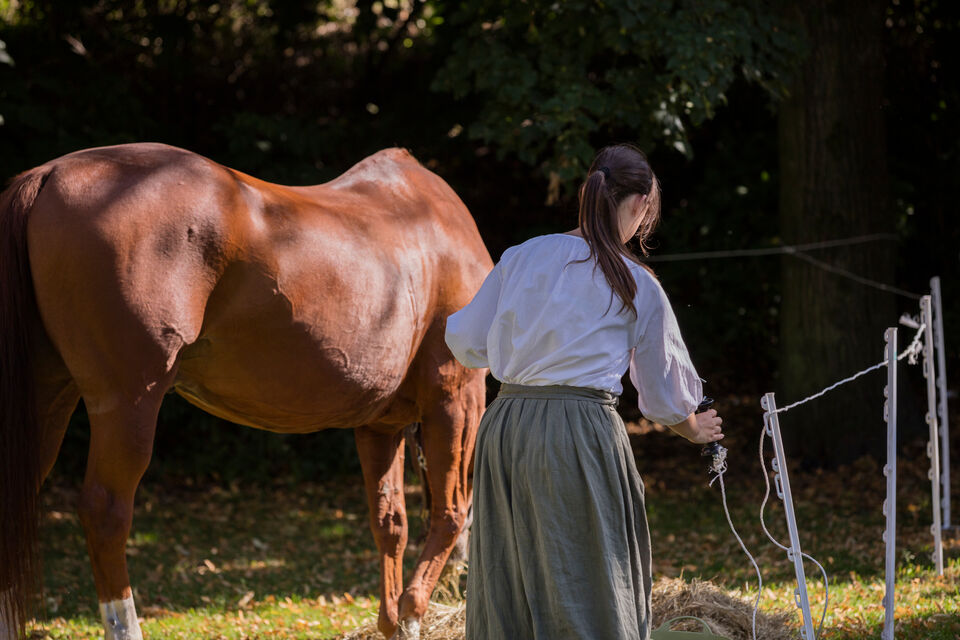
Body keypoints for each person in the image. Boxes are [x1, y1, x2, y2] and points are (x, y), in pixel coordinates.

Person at [444, 143, 724, 640]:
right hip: (580, 434)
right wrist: (693, 428)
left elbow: (466, 342)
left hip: (505, 426)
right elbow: (662, 394)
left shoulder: (523, 256)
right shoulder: (636, 282)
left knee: (510, 574)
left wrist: (526, 354)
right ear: (640, 203)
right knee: (585, 576)